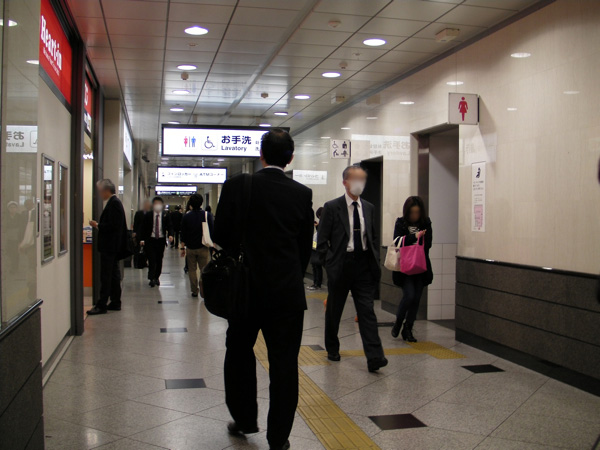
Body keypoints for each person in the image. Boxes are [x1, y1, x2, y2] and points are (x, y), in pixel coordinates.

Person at [213, 129, 313, 450]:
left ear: (261, 155)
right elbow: (304, 249)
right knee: (284, 365)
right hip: (286, 294)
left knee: (238, 354)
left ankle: (244, 418)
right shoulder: (302, 193)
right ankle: (278, 438)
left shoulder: (237, 186)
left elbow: (220, 235)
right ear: (291, 158)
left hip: (244, 290)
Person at [317, 165, 388, 373]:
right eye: (355, 179)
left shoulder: (369, 207)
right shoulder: (332, 207)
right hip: (341, 265)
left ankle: (375, 357)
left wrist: (374, 258)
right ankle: (332, 347)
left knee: (367, 311)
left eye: (362, 179)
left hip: (363, 265)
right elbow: (322, 240)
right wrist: (330, 263)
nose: (360, 183)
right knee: (334, 310)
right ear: (345, 182)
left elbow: (372, 237)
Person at [391, 196, 433, 342]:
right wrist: (414, 237)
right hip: (405, 267)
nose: (415, 215)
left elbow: (428, 244)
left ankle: (408, 328)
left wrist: (418, 241)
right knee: (409, 295)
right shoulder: (401, 222)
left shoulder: (426, 223)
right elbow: (397, 241)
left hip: (420, 266)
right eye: (412, 212)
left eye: (417, 212)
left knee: (416, 298)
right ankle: (398, 321)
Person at [87, 179, 129, 315]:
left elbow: (113, 226)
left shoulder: (114, 203)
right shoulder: (115, 203)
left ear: (106, 190)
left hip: (109, 246)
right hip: (113, 246)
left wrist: (97, 225)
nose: (100, 194)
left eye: (100, 191)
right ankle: (115, 301)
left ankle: (102, 305)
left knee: (106, 276)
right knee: (113, 275)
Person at [180, 194, 213, 298]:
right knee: (204, 270)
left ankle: (194, 290)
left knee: (192, 270)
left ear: (191, 204)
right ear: (201, 203)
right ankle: (203, 289)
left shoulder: (186, 216)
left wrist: (182, 247)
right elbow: (212, 231)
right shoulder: (207, 215)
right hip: (203, 247)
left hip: (190, 248)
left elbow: (183, 233)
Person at [140, 197, 173, 287]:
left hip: (161, 240)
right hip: (150, 240)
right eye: (156, 203)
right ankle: (151, 278)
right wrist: (142, 239)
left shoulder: (165, 215)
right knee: (151, 259)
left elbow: (170, 226)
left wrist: (170, 235)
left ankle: (157, 277)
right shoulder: (148, 215)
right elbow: (143, 227)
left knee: (159, 259)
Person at [307, 207, 324, 290]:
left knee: (316, 266)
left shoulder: (325, 224)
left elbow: (322, 234)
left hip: (318, 248)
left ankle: (317, 283)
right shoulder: (321, 224)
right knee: (315, 266)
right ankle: (316, 283)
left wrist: (318, 226)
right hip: (315, 246)